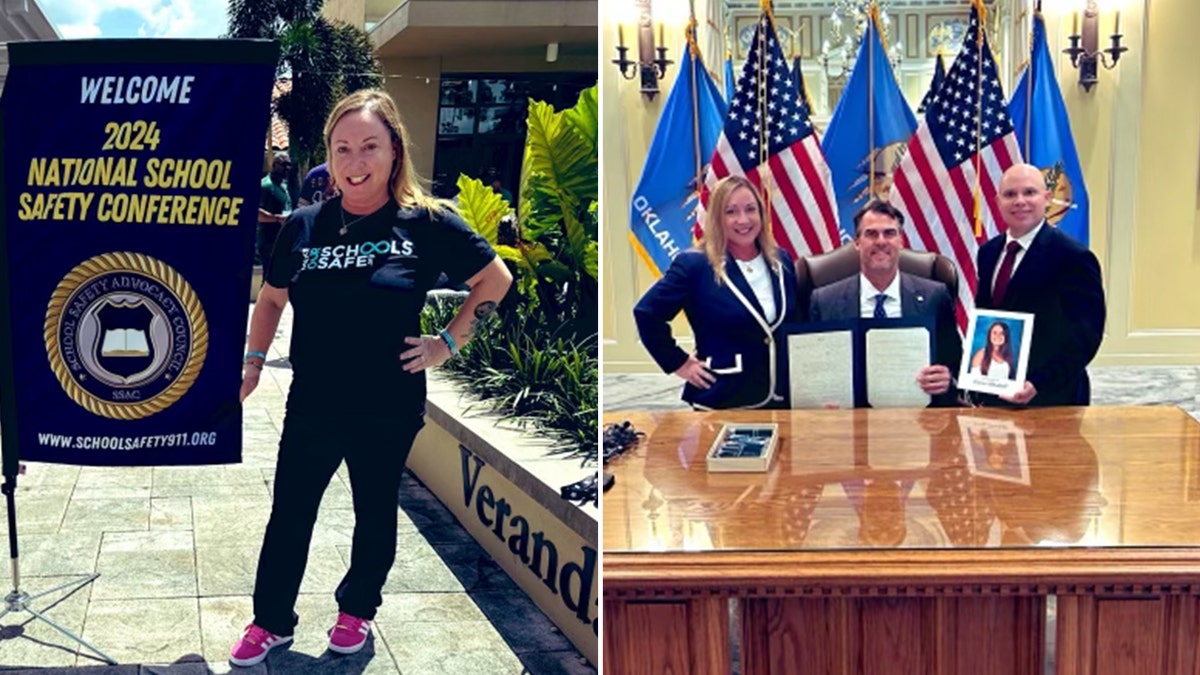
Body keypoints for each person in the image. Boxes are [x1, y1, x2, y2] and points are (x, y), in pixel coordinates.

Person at [229, 89, 513, 667]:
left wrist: (449, 342)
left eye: (368, 147)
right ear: (329, 158)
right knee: (290, 514)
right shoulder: (304, 225)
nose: (355, 162)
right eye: (343, 149)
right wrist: (254, 362)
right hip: (313, 400)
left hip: (388, 402)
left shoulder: (428, 224)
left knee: (374, 510)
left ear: (393, 152)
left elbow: (495, 281)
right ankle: (270, 621)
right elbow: (272, 300)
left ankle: (357, 610)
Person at [633, 175, 798, 409]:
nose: (743, 220)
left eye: (750, 209)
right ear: (716, 218)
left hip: (781, 397)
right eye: (731, 212)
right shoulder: (694, 265)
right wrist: (680, 364)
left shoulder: (781, 260)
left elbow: (795, 321)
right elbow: (647, 313)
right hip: (723, 397)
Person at [975, 164, 1105, 406]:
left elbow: (1085, 336)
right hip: (995, 390)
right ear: (998, 201)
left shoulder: (1073, 257)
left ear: (1047, 198)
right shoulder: (988, 253)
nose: (1020, 201)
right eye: (1010, 194)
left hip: (1052, 395)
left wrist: (1038, 383)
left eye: (1029, 192)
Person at [808, 200, 962, 406]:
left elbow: (954, 361)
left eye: (889, 233)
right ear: (856, 243)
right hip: (849, 419)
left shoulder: (935, 296)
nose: (881, 241)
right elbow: (814, 370)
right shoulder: (824, 301)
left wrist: (947, 378)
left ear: (901, 241)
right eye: (871, 234)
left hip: (920, 418)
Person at [257, 151, 292, 276]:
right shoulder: (265, 186)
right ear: (274, 165)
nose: (287, 168)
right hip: (269, 241)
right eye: (283, 164)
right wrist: (277, 219)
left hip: (284, 239)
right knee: (269, 277)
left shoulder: (284, 185)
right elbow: (257, 214)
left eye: (289, 165)